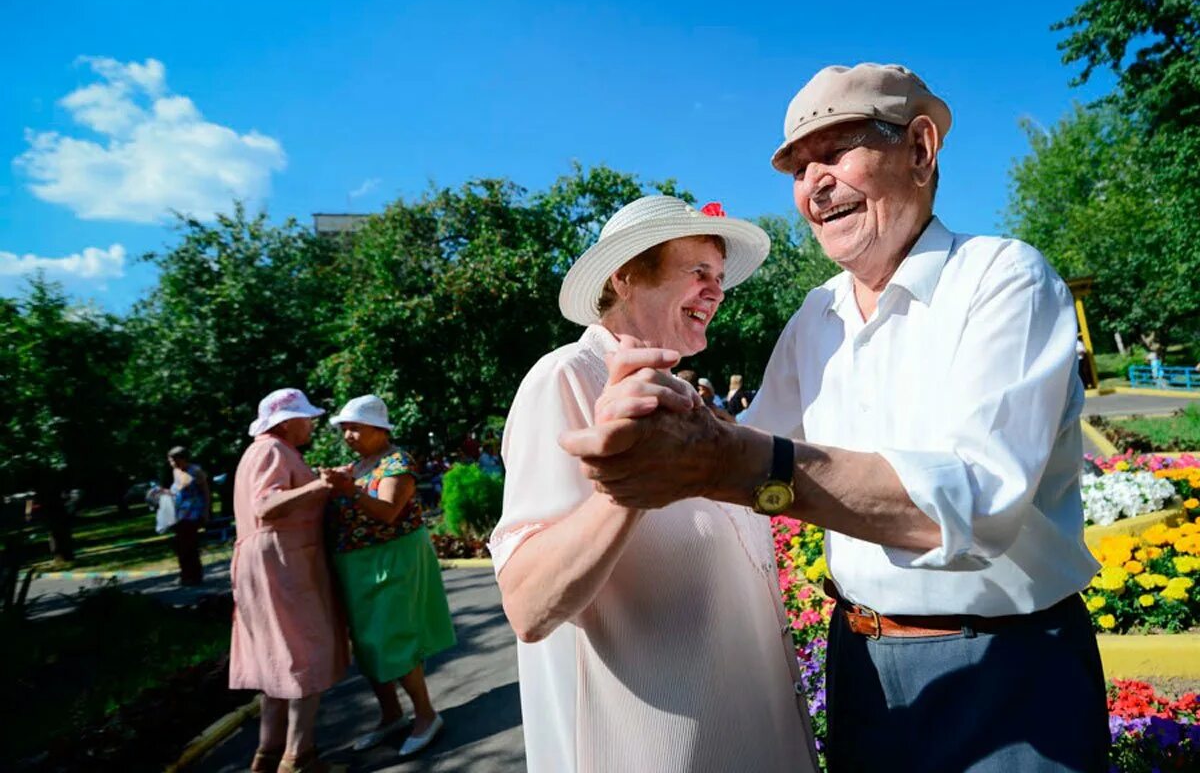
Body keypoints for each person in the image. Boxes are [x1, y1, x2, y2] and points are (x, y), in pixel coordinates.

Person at [560, 64, 1109, 772]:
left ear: (918, 149)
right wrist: (646, 427)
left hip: (1012, 666)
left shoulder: (1004, 279)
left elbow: (978, 504)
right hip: (861, 667)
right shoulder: (817, 314)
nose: (813, 183)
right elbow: (737, 461)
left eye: (836, 150)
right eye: (797, 166)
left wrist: (730, 460)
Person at [491, 195, 818, 773]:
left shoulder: (691, 404)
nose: (717, 291)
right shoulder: (565, 377)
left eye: (719, 277)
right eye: (698, 272)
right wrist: (627, 485)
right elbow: (529, 603)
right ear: (625, 276)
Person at [324, 395, 456, 758]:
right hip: (357, 563)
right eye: (344, 428)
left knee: (392, 635)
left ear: (380, 430)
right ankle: (391, 715)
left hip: (392, 557)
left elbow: (388, 512)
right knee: (368, 642)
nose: (347, 435)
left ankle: (426, 716)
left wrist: (347, 491)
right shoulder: (358, 465)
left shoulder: (397, 462)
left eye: (355, 427)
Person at [229, 388, 350, 773]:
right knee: (304, 654)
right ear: (287, 422)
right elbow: (267, 505)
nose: (311, 423)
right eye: (306, 417)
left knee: (277, 661)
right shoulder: (272, 451)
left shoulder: (260, 451)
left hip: (266, 562)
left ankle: (268, 754)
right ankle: (299, 757)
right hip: (283, 564)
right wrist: (322, 484)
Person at [167, 446, 211, 586]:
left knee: (189, 545)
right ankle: (185, 574)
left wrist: (205, 512)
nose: (171, 463)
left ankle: (194, 575)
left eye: (173, 460)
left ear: (181, 458)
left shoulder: (196, 471)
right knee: (180, 546)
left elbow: (205, 492)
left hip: (193, 513)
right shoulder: (176, 472)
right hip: (179, 514)